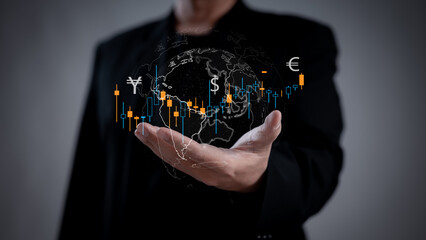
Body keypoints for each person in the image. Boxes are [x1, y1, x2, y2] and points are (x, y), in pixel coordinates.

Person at [59, 0, 343, 239]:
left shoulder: (299, 41)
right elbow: (87, 179)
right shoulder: (113, 53)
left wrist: (256, 177)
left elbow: (318, 160)